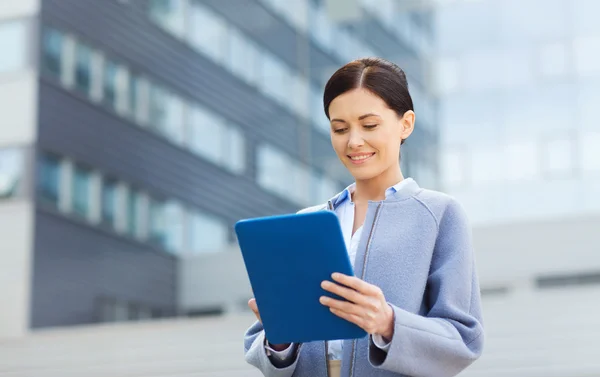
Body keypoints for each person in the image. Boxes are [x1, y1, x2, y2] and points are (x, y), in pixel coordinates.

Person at [243, 57, 484, 377]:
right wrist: (280, 339)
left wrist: (387, 323)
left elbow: (463, 340)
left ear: (406, 124)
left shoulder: (439, 215)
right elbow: (268, 354)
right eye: (339, 128)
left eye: (369, 125)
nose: (353, 141)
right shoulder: (307, 221)